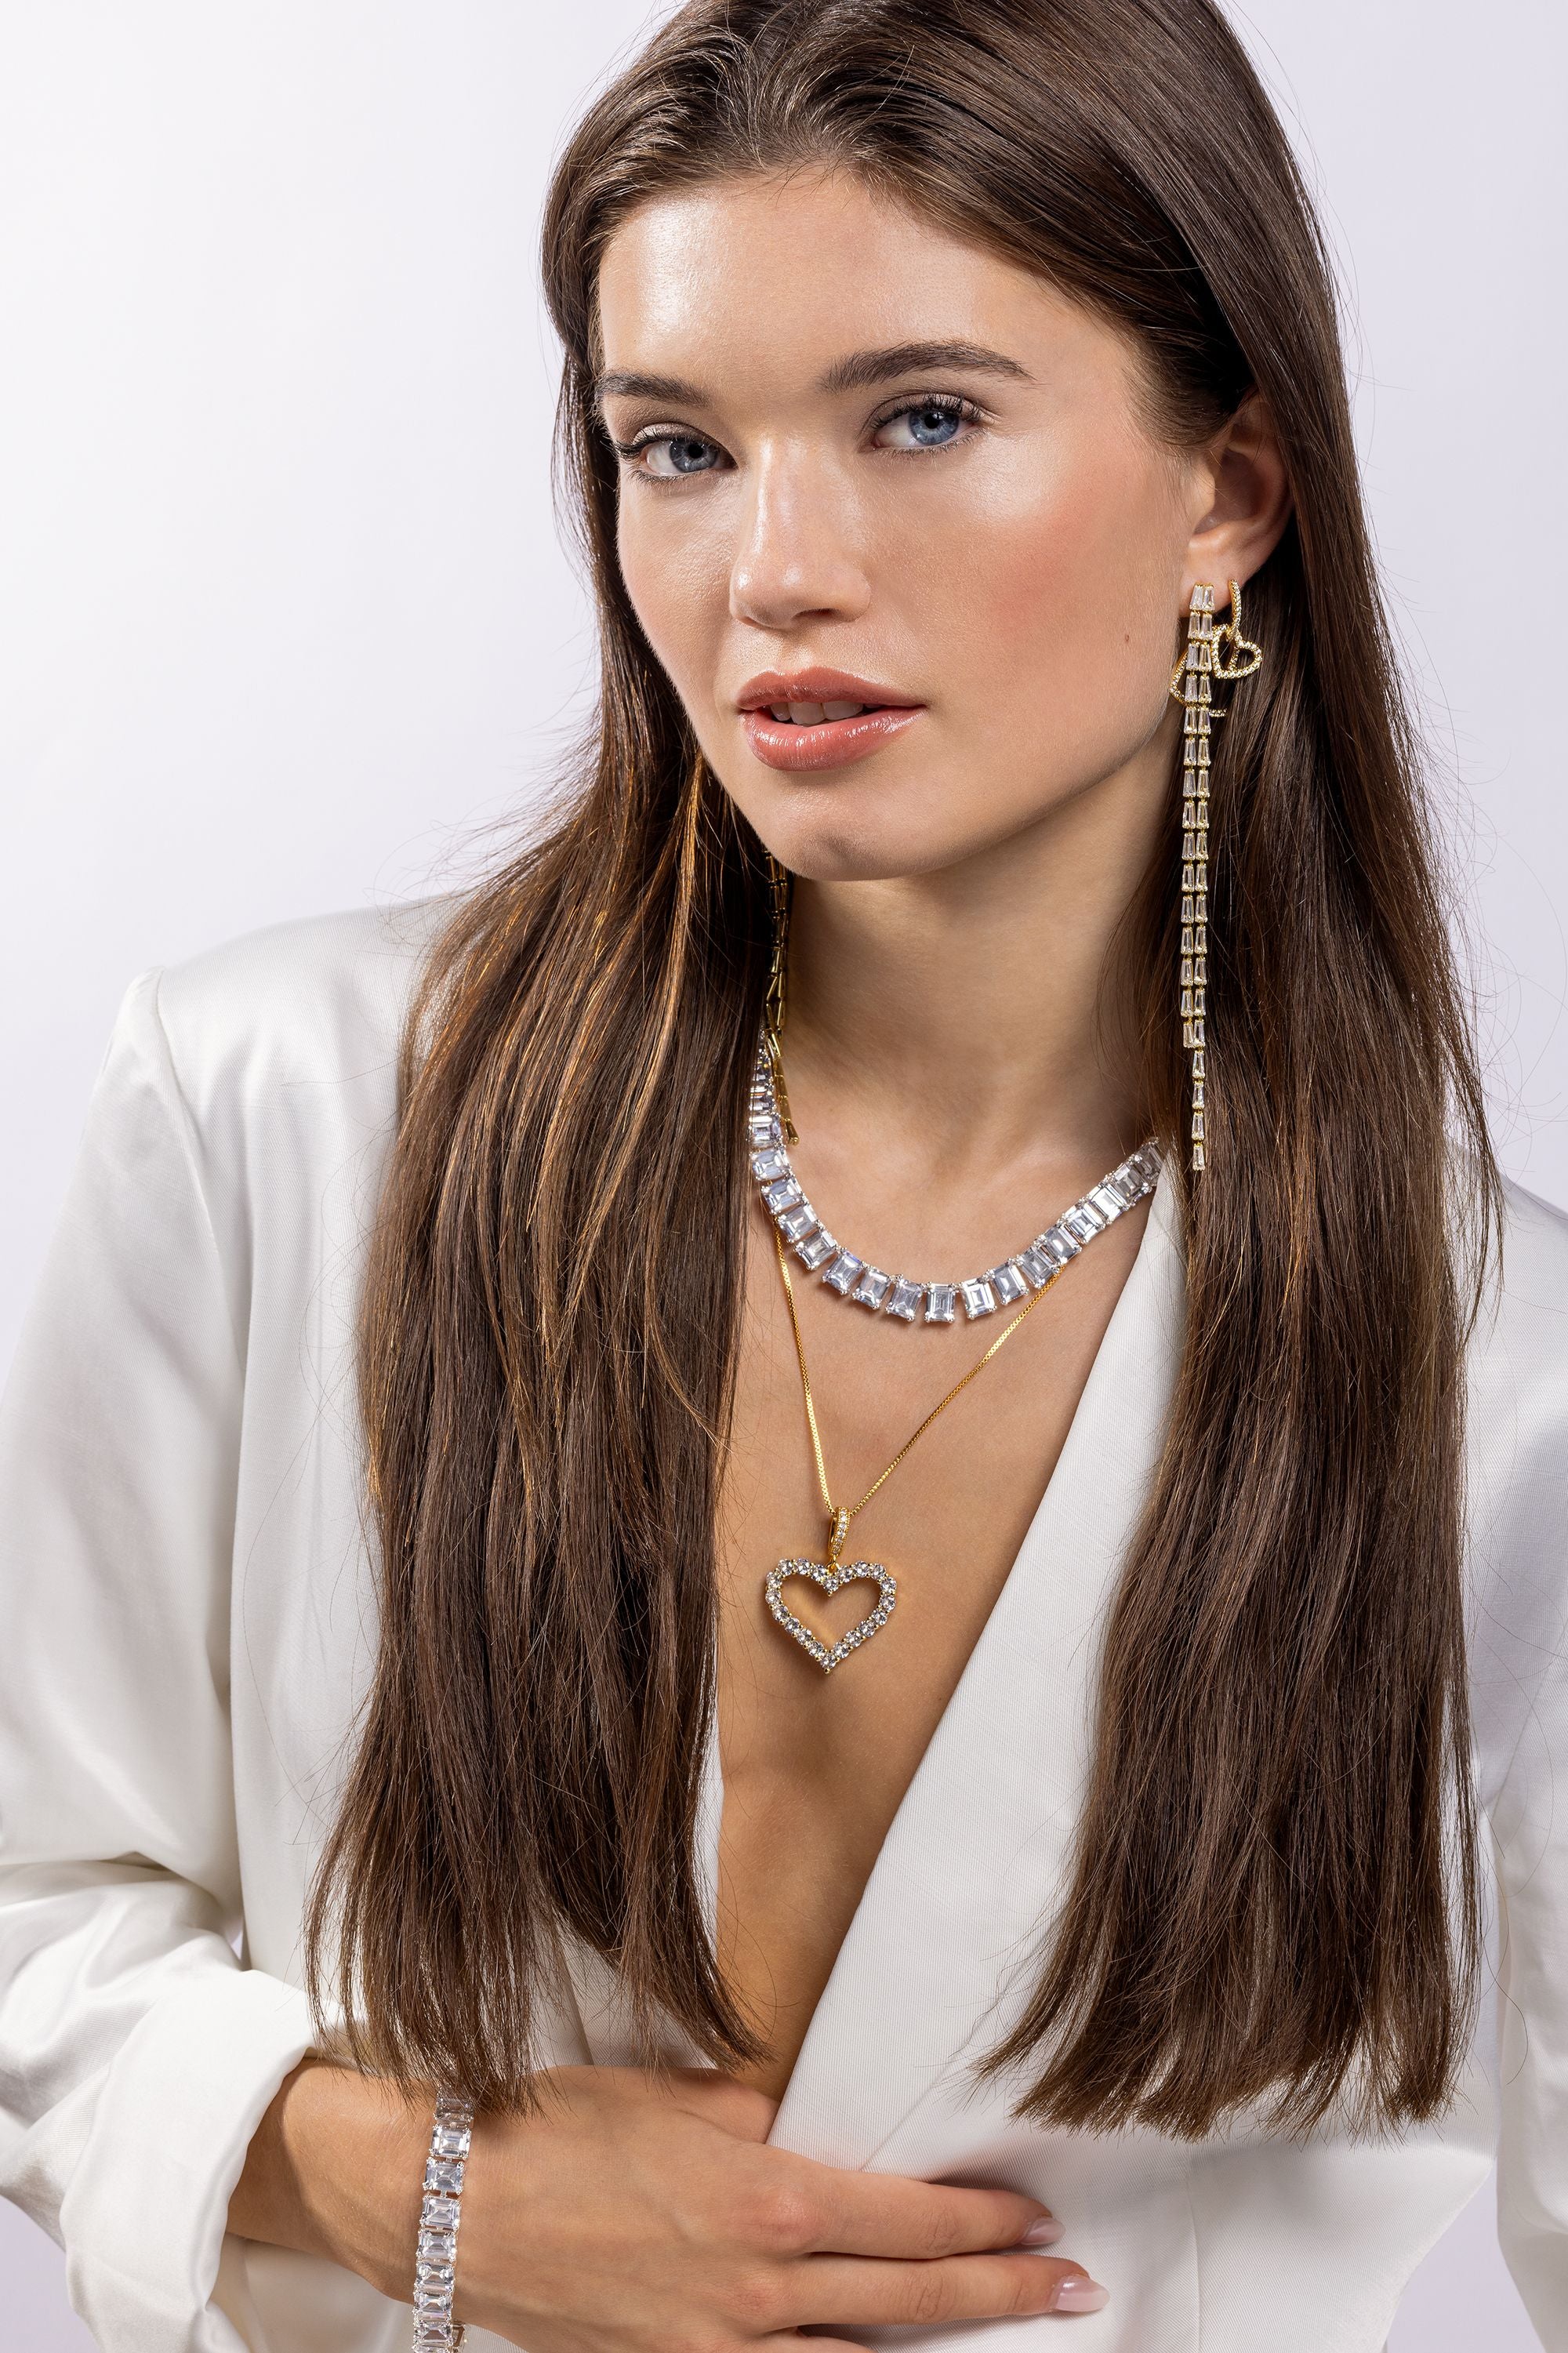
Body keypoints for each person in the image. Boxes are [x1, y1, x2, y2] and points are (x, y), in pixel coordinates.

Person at [3, 2, 1566, 2348]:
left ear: (1228, 494)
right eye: (680, 448)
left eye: (921, 418)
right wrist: (429, 2187)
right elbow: (31, 1904)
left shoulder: (1502, 1392)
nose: (775, 572)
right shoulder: (281, 1115)